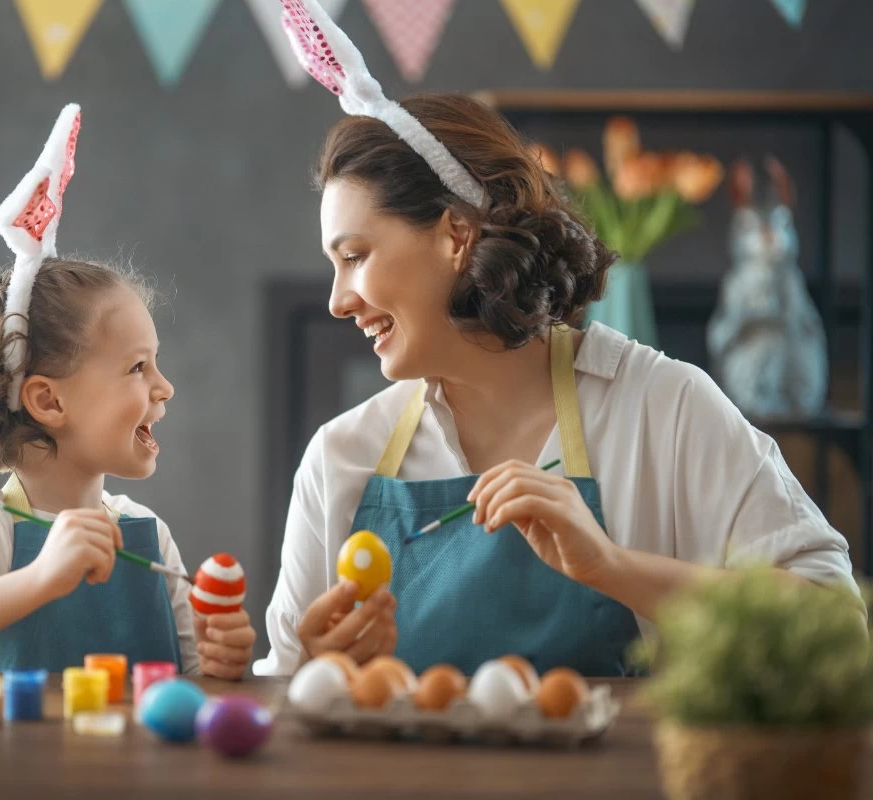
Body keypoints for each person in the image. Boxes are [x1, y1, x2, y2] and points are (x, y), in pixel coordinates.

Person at [255, 1, 860, 677]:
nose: (339, 301)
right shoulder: (342, 459)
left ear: (457, 235)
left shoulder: (665, 409)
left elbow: (835, 625)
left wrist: (614, 567)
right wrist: (311, 671)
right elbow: (284, 696)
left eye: (357, 255)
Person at [0, 105, 255, 678]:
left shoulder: (146, 533)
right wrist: (42, 577)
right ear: (49, 401)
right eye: (137, 367)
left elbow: (194, 678)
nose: (164, 387)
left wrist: (224, 661)